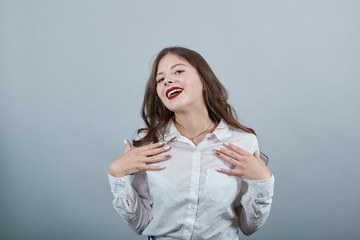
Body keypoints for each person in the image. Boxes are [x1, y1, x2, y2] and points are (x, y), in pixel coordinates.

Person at [108, 47, 274, 240]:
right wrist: (116, 175)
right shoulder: (149, 143)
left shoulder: (243, 141)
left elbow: (249, 227)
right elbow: (142, 223)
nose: (167, 81)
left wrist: (263, 182)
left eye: (178, 71)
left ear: (204, 81)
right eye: (160, 80)